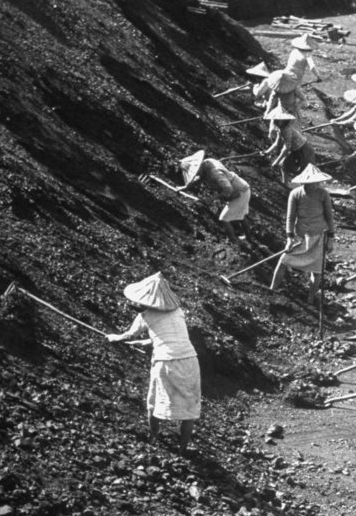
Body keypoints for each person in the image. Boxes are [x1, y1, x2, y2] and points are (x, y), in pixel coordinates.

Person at [106, 272, 201, 453]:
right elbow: (174, 337)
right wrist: (147, 342)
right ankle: (182, 449)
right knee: (189, 409)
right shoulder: (178, 312)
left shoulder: (145, 316)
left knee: (154, 402)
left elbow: (125, 336)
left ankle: (154, 439)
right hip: (190, 359)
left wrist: (113, 338)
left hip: (166, 362)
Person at [270, 163, 335, 302]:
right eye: (308, 183)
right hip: (300, 237)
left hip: (319, 237)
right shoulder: (295, 194)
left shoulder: (323, 194)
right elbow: (290, 217)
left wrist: (331, 238)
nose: (311, 186)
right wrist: (289, 238)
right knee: (283, 261)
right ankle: (271, 290)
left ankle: (310, 298)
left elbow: (329, 217)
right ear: (303, 182)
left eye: (314, 183)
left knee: (317, 271)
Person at [179, 150, 251, 241]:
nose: (196, 174)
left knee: (223, 219)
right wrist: (186, 187)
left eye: (196, 172)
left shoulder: (215, 172)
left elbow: (228, 189)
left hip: (240, 192)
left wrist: (212, 199)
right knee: (241, 214)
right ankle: (249, 238)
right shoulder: (207, 163)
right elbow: (200, 178)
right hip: (241, 188)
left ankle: (234, 241)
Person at [264, 105, 316, 187]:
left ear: (285, 120)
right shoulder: (280, 130)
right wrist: (266, 152)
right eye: (276, 120)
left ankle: (306, 189)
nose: (278, 122)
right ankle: (285, 184)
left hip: (305, 150)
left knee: (305, 172)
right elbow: (276, 143)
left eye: (280, 120)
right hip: (296, 150)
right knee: (284, 165)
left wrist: (276, 161)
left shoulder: (287, 130)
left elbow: (286, 148)